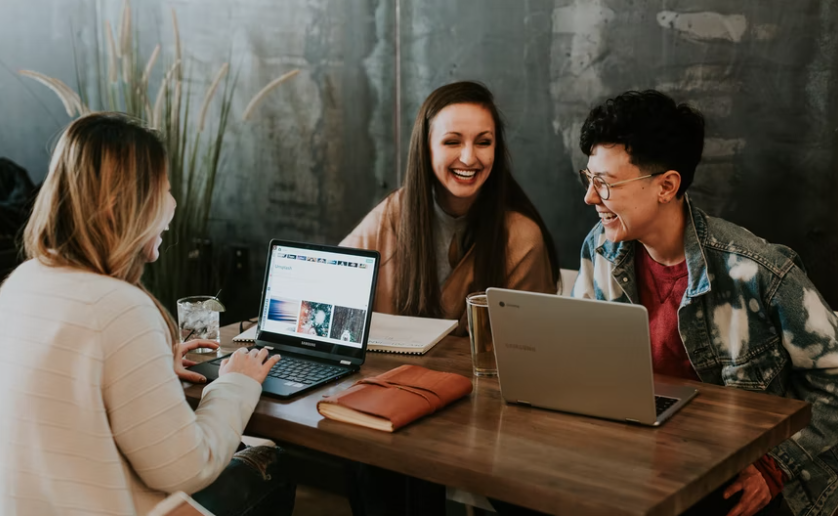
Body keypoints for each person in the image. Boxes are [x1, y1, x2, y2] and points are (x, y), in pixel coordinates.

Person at [0, 113, 295, 516]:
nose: (172, 206)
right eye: (164, 189)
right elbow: (186, 469)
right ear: (121, 205)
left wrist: (151, 365)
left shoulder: (22, 281)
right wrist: (235, 385)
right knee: (272, 464)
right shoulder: (119, 307)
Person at [572, 90, 838, 516]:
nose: (590, 197)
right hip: (642, 461)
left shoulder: (758, 271)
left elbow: (834, 381)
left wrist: (774, 468)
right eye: (588, 178)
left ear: (667, 185)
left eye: (605, 183)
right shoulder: (600, 250)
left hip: (737, 476)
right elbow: (579, 360)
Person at [341, 81, 559, 336]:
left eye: (483, 142)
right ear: (426, 148)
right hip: (385, 375)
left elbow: (530, 346)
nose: (468, 158)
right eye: (452, 142)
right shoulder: (392, 214)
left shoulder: (522, 237)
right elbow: (330, 283)